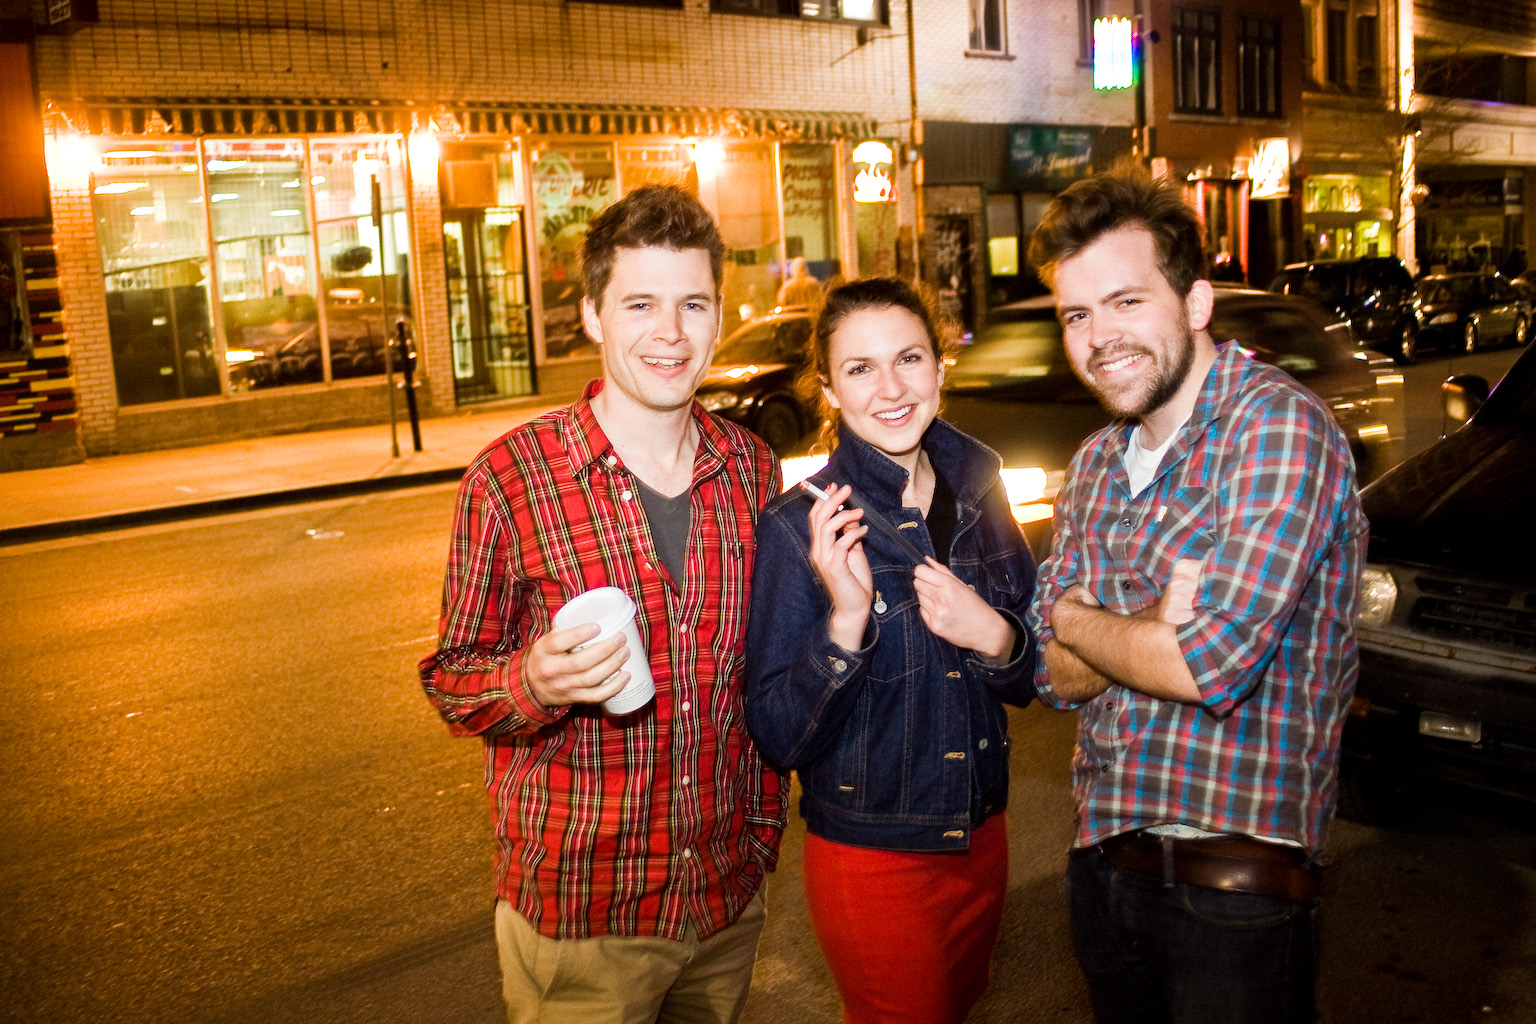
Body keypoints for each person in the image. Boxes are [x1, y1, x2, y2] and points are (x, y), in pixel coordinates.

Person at [418, 183, 786, 1024]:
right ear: (592, 314)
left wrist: (762, 830)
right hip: (583, 919)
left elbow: (766, 673)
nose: (670, 332)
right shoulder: (511, 478)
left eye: (693, 304)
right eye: (640, 304)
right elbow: (452, 680)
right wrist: (533, 682)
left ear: (718, 318)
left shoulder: (754, 470)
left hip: (726, 903)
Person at [1023, 166, 1367, 1024]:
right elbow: (1053, 677)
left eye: (1127, 302)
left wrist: (1073, 614)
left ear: (1197, 303)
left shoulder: (1277, 427)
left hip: (1234, 892)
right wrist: (1133, 626)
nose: (1100, 336)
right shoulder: (1094, 464)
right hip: (1101, 872)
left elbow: (1205, 665)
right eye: (1077, 314)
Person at [744, 277, 1039, 1023]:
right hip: (875, 861)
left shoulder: (982, 488)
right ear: (829, 390)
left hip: (983, 837)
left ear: (940, 366)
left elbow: (1028, 672)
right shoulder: (798, 526)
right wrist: (846, 619)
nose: (891, 388)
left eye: (908, 358)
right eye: (860, 368)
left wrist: (996, 635)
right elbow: (778, 736)